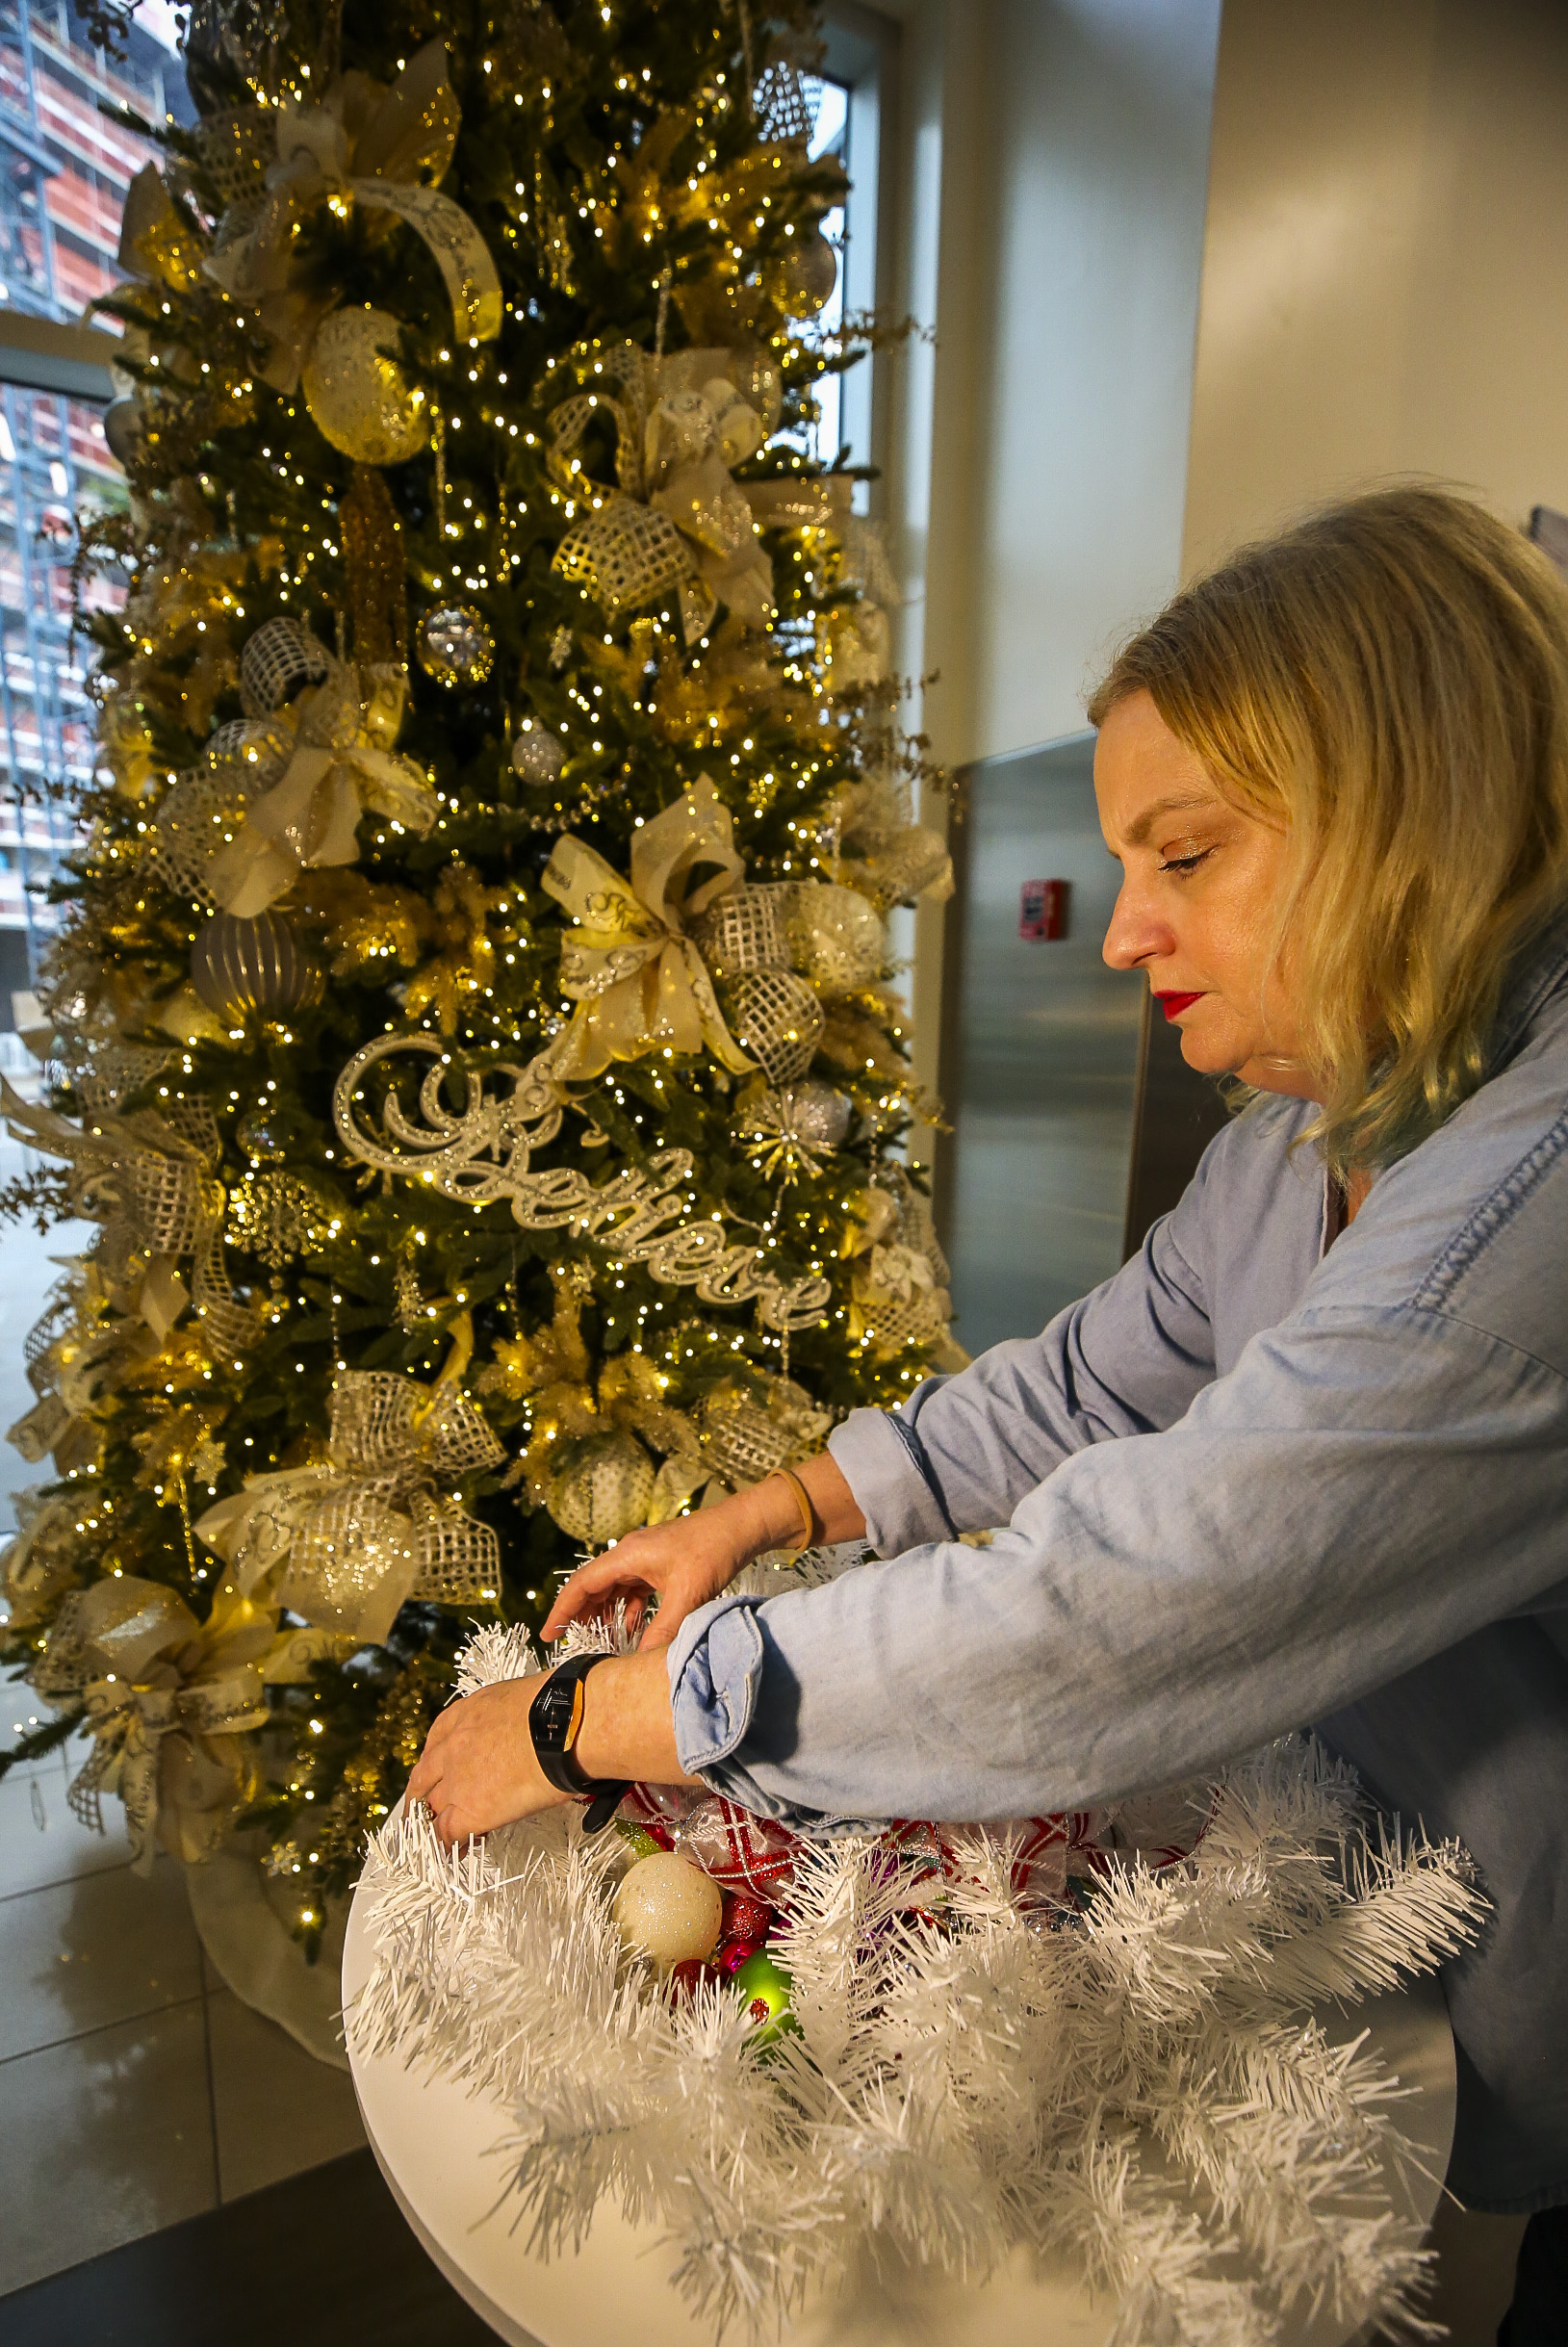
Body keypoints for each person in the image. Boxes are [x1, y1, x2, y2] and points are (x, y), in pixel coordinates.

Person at [407, 487, 1568, 2341]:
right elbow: (1102, 1369)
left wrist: (597, 1720)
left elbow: (1112, 1609)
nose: (1123, 934)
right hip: (1348, 1894)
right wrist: (773, 1507)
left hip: (1512, 1962)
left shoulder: (1525, 1217)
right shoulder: (1312, 1126)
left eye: (1182, 856)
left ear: (1396, 820)